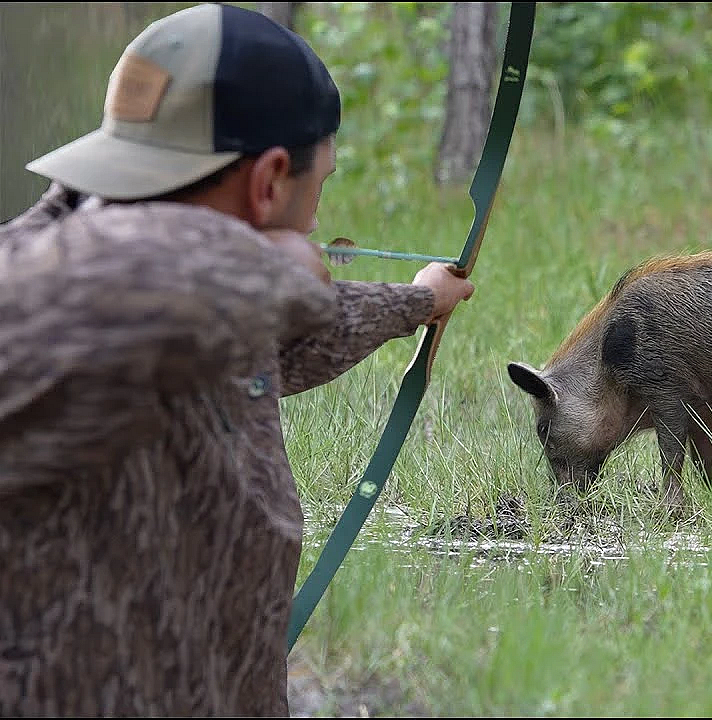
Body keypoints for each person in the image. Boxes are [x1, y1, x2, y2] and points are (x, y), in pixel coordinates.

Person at [0, 4, 476, 716]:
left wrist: (413, 303)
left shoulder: (174, 317)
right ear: (269, 180)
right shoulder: (60, 308)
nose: (315, 222)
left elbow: (266, 338)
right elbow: (125, 286)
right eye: (319, 186)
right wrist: (270, 258)